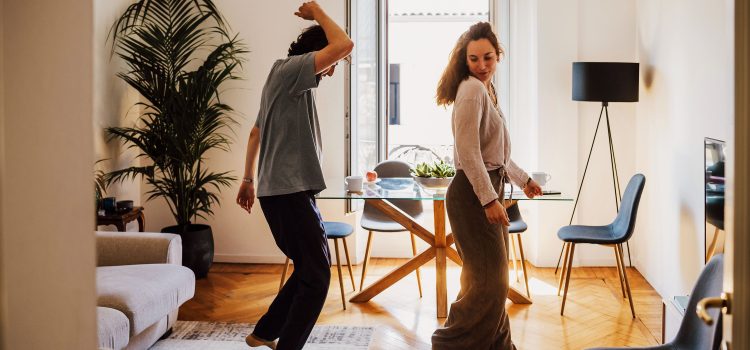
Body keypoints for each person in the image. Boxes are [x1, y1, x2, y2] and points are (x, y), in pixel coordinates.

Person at [236, 2, 353, 349]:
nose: (331, 71)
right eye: (330, 64)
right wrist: (318, 12)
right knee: (318, 276)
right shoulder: (292, 71)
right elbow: (344, 44)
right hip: (289, 193)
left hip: (281, 193)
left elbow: (256, 131)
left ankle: (264, 332)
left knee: (308, 268)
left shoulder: (281, 78)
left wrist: (247, 180)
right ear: (316, 54)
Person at [431, 22, 543, 350]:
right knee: (490, 281)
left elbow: (496, 155)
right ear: (464, 60)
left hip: (484, 190)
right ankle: (448, 344)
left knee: (485, 279)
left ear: (498, 56)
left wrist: (525, 181)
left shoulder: (487, 90)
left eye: (488, 58)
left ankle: (499, 346)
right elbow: (468, 152)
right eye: (474, 59)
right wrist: (489, 200)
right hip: (472, 194)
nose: (482, 66)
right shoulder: (472, 89)